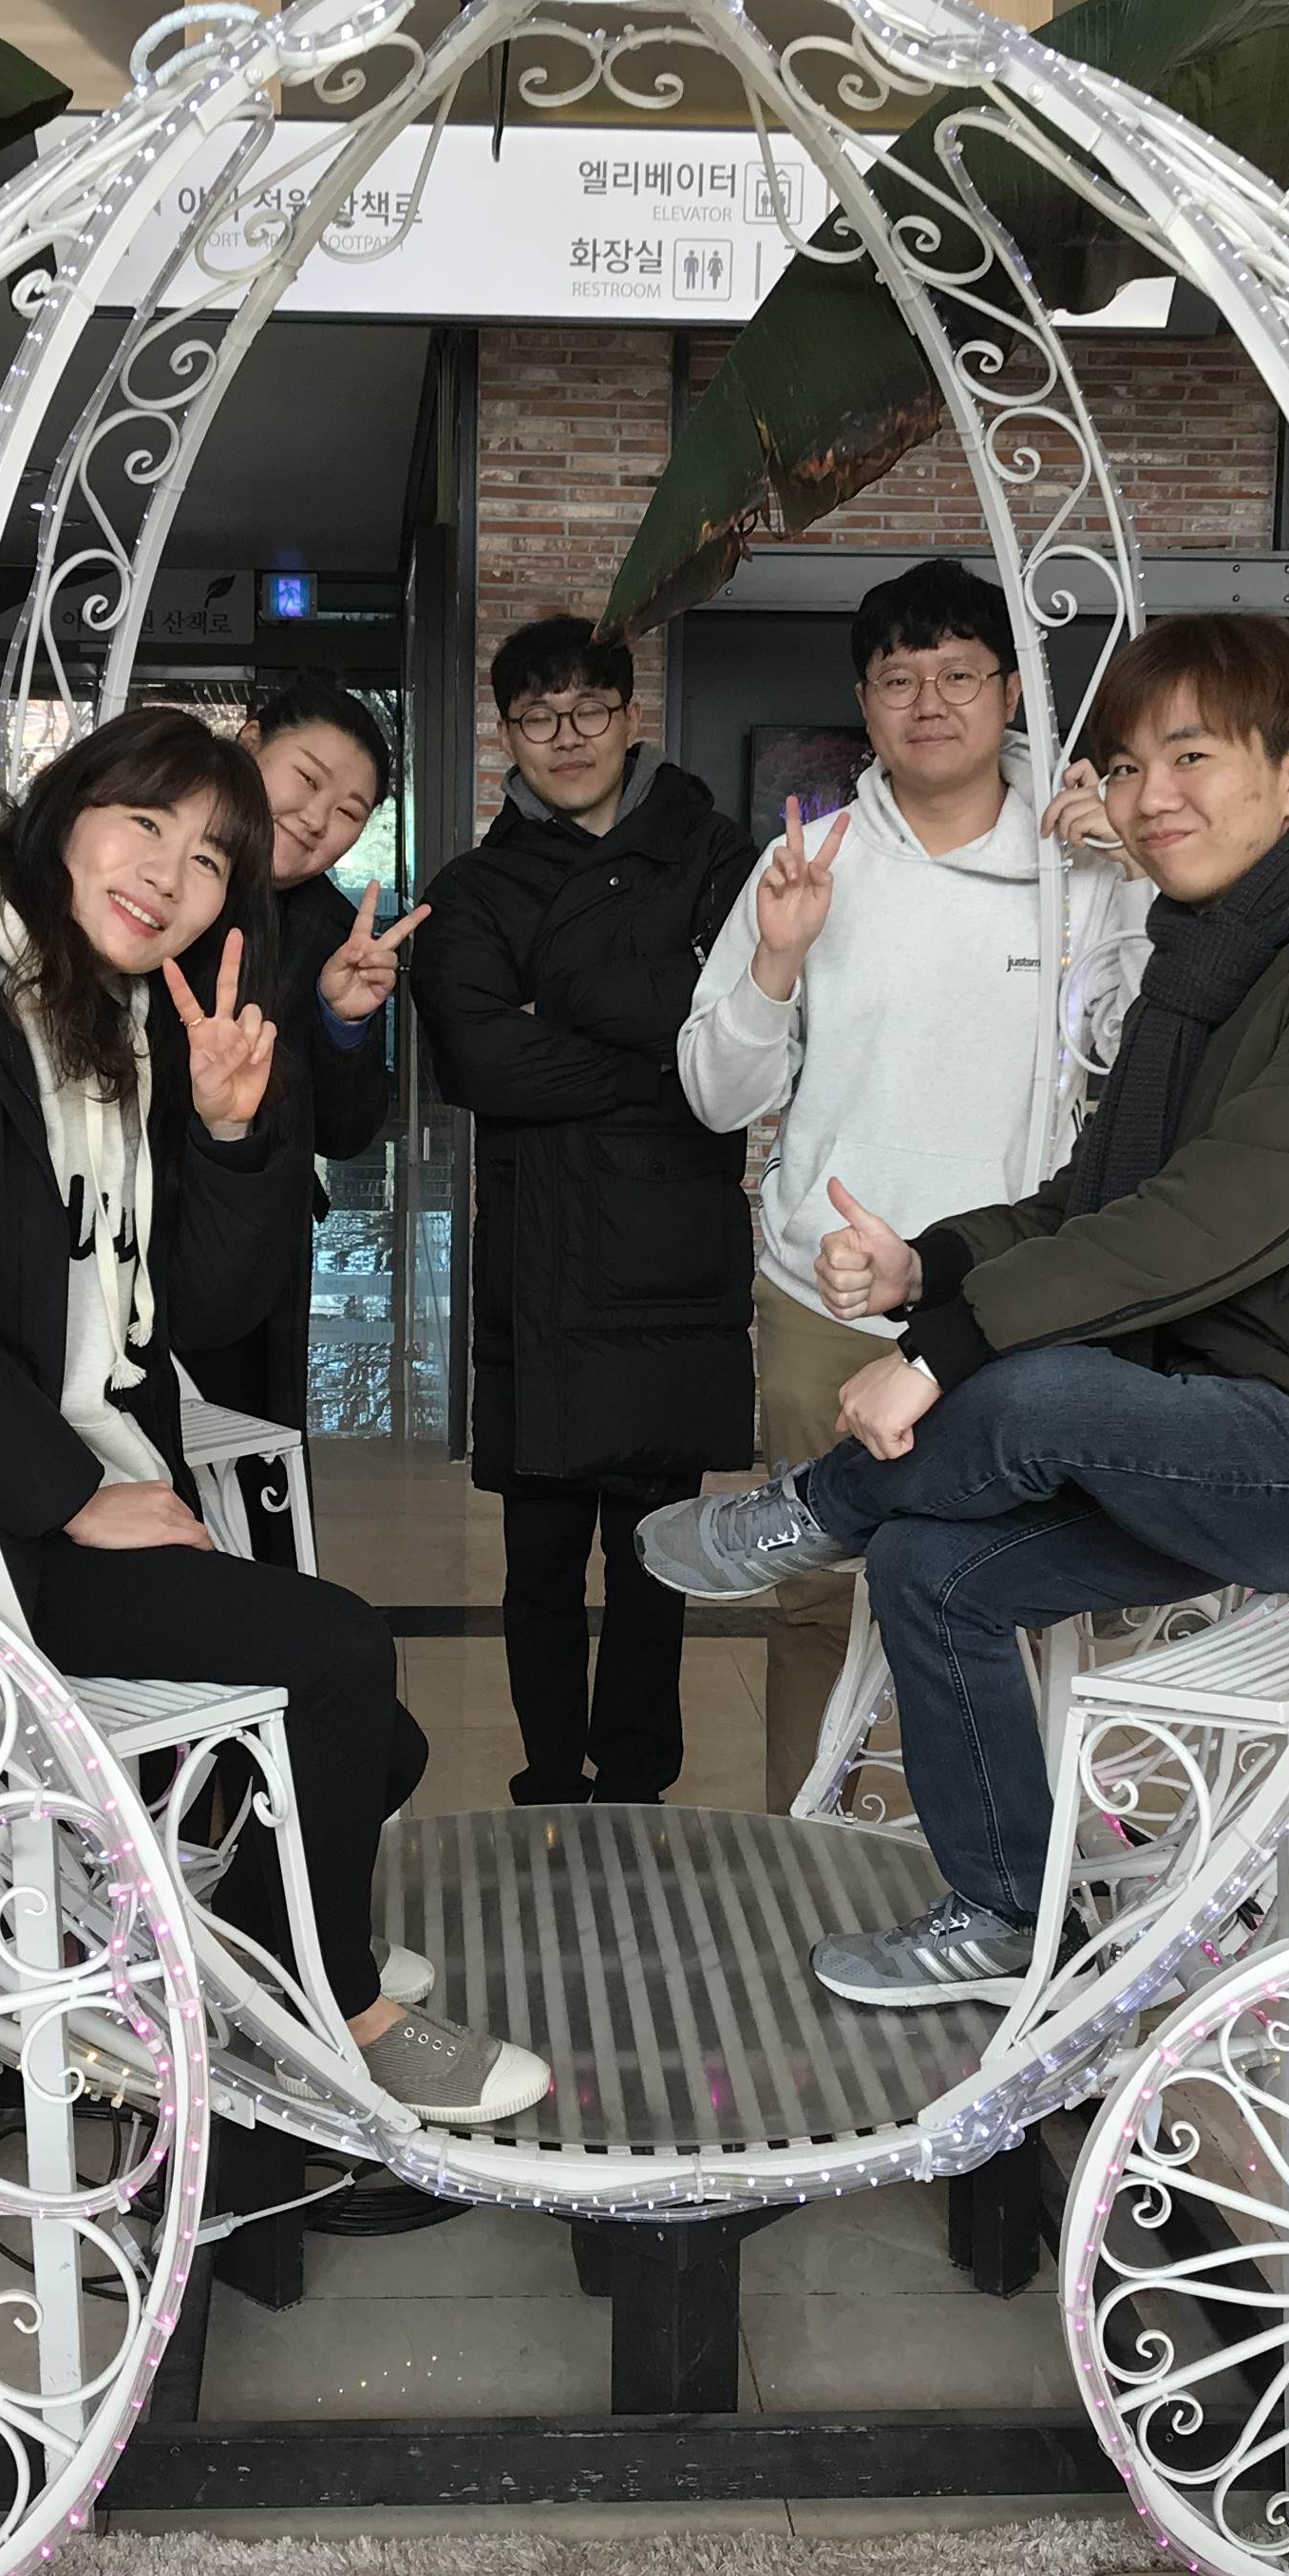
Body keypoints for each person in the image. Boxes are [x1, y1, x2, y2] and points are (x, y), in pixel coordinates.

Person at [643, 616, 1289, 2005]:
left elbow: (1203, 1219)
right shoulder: (1208, 961)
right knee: (930, 1567)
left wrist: (941, 1348)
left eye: (1190, 756)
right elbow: (1093, 1196)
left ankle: (815, 1507)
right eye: (1123, 766)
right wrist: (930, 1266)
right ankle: (1003, 1916)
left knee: (1025, 1392)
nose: (1150, 796)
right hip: (1223, 1418)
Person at [0, 707, 548, 2120]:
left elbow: (204, 1308)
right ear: (64, 809)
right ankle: (334, 2015)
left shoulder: (102, 1019)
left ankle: (272, 1943)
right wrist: (71, 1494)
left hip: (30, 1491)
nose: (169, 875)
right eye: (145, 823)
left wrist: (228, 1133)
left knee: (373, 1735)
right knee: (339, 1662)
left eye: (212, 861)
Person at [674, 558, 1145, 1809]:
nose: (930, 703)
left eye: (958, 675)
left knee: (1014, 1598)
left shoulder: (1086, 863)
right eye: (899, 679)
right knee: (813, 1603)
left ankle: (1003, 1866)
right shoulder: (809, 863)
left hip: (1018, 1304)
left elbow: (1153, 1051)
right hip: (826, 1302)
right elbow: (714, 1092)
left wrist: (1147, 869)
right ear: (864, 704)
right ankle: (807, 1857)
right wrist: (777, 962)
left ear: (1009, 694)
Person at [412, 615, 759, 1807]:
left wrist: (556, 1008)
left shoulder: (717, 852)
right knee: (542, 1562)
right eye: (538, 716)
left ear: (630, 715)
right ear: (507, 733)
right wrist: (662, 1057)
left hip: (672, 1254)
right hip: (543, 1255)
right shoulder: (473, 886)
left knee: (657, 1558)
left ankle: (637, 1788)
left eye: (589, 710)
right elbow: (479, 1061)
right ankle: (552, 1781)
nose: (567, 737)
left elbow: (748, 1018)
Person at [167, 681, 427, 1534]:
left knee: (243, 1482)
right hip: (112, 1230)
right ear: (248, 742)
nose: (318, 820)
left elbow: (348, 1133)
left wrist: (344, 1022)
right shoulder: (151, 885)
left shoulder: (330, 931)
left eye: (350, 811)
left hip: (251, 1255)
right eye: (306, 779)